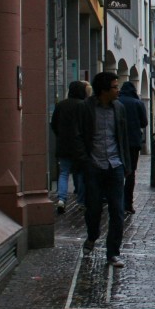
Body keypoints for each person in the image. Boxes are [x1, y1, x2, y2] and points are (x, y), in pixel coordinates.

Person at [78, 71, 131, 268]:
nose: (118, 90)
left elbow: (123, 137)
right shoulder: (86, 108)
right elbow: (80, 136)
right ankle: (92, 236)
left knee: (117, 211)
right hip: (94, 165)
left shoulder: (120, 108)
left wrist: (126, 164)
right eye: (115, 87)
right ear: (104, 90)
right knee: (93, 209)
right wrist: (85, 161)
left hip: (115, 165)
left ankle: (113, 253)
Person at [50, 80, 89, 213]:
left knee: (64, 173)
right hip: (79, 146)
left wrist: (60, 135)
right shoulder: (83, 105)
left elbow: (53, 123)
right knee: (81, 174)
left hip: (63, 144)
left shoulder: (61, 105)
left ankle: (61, 199)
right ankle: (81, 202)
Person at [115, 81, 148, 216]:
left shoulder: (117, 102)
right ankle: (128, 204)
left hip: (118, 142)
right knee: (130, 173)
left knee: (117, 172)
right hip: (133, 142)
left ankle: (117, 202)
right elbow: (144, 122)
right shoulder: (137, 103)